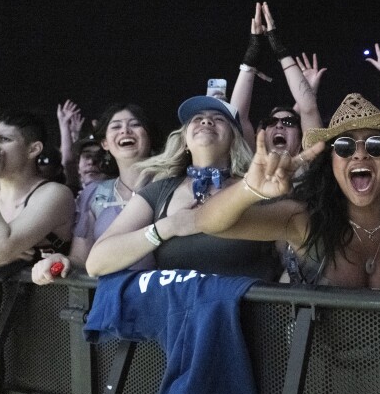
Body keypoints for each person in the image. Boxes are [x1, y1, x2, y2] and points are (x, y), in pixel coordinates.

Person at [193, 92, 380, 290]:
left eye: (375, 145)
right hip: (317, 345)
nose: (360, 154)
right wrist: (250, 190)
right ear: (331, 163)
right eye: (345, 146)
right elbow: (206, 223)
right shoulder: (304, 221)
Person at [85, 96, 280, 280]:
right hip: (178, 313)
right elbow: (96, 263)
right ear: (185, 140)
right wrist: (169, 226)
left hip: (245, 313)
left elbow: (292, 259)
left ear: (233, 140)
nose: (206, 121)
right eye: (197, 118)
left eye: (219, 118)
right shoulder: (159, 191)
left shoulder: (258, 189)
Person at [32, 103, 159, 284]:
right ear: (105, 143)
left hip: (164, 298)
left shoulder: (171, 187)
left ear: (150, 135)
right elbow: (81, 259)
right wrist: (62, 259)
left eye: (135, 124)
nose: (125, 131)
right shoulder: (95, 194)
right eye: (116, 126)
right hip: (113, 300)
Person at [0, 110, 75, 273]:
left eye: (3, 139)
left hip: (43, 297)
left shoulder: (55, 193)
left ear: (33, 149)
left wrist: (5, 252)